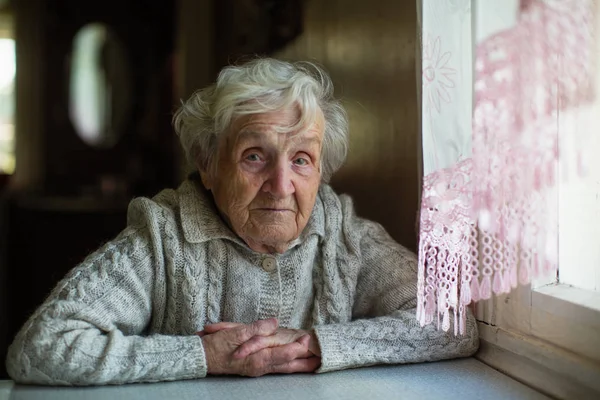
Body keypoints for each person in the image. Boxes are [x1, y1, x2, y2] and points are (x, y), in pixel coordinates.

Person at [6, 58, 478, 386]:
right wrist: (202, 356)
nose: (280, 184)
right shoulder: (164, 237)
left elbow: (452, 322)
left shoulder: (341, 233)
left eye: (301, 160)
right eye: (254, 156)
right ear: (208, 165)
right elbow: (41, 347)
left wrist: (316, 345)